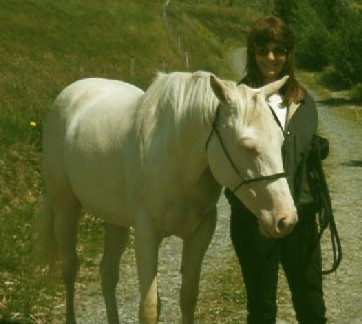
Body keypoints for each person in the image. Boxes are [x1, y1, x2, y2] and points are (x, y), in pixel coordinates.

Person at [225, 16, 327, 324]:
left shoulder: (304, 101)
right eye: (263, 50)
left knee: (312, 309)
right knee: (262, 310)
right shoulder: (237, 102)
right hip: (254, 219)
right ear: (252, 51)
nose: (271, 58)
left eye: (279, 50)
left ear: (288, 53)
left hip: (302, 215)